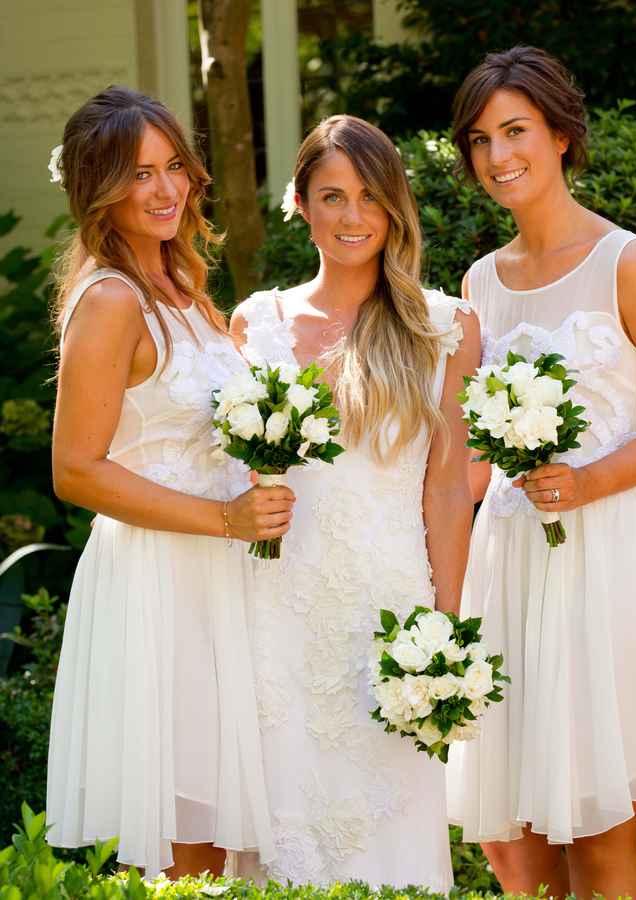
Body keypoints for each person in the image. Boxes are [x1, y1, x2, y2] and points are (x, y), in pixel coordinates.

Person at [446, 46, 636, 900]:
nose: (499, 157)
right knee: (518, 847)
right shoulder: (479, 283)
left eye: (516, 131)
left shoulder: (627, 262)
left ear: (562, 135)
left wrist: (589, 482)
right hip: (509, 564)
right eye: (479, 140)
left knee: (602, 833)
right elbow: (466, 456)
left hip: (604, 557)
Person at [46, 85, 294, 879]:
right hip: (161, 584)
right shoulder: (114, 300)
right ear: (97, 190)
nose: (164, 190)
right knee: (189, 834)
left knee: (226, 832)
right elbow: (75, 469)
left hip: (218, 578)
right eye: (137, 174)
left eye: (173, 167)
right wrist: (223, 519)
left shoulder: (183, 290)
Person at [228, 114, 479, 889]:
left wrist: (446, 623)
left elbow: (445, 487)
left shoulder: (444, 328)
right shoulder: (256, 323)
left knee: (388, 835)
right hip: (273, 608)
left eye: (370, 197)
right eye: (332, 196)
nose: (352, 217)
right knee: (283, 826)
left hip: (388, 612)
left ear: (395, 206)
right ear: (299, 204)